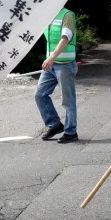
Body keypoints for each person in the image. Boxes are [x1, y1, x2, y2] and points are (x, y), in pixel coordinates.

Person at [35, 7, 78, 144]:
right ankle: (55, 124)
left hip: (64, 65)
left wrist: (51, 58)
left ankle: (71, 132)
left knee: (68, 101)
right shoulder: (46, 14)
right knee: (39, 94)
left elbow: (65, 39)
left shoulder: (67, 15)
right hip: (51, 65)